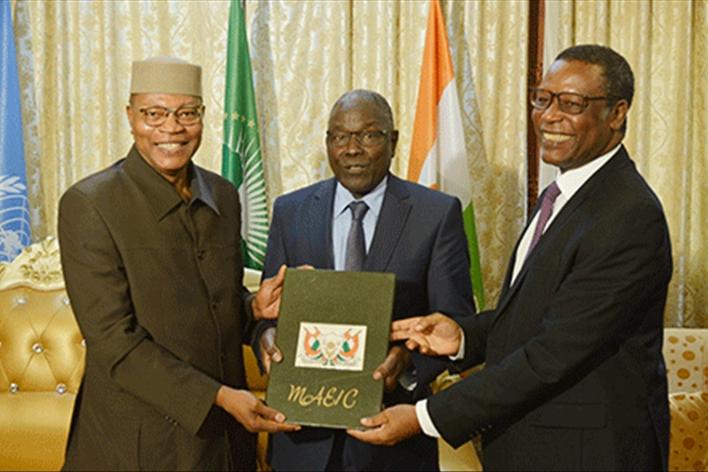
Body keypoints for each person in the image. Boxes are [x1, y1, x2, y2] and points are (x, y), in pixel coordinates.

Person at [349, 45, 673, 471]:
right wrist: (462, 337)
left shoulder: (628, 215)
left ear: (617, 113)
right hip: (534, 444)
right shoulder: (564, 194)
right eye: (543, 98)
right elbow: (537, 314)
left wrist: (425, 417)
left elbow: (554, 352)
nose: (549, 116)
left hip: (588, 454)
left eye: (571, 104)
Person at [58, 56, 299, 471]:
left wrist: (253, 309)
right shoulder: (90, 204)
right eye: (154, 114)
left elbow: (214, 306)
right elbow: (115, 341)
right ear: (131, 117)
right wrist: (219, 397)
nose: (172, 128)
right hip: (136, 441)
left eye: (187, 113)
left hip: (224, 441)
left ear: (202, 117)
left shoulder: (223, 195)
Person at [255, 89, 476, 470]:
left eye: (368, 135)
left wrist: (406, 363)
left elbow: (456, 320)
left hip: (392, 442)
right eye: (340, 136)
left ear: (393, 141)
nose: (352, 149)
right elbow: (267, 311)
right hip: (302, 441)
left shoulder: (435, 215)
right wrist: (266, 339)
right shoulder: (291, 211)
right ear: (328, 142)